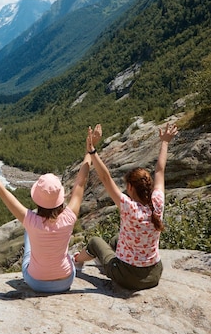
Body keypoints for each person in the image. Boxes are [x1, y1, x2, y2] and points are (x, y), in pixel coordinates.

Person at [0, 131, 100, 294]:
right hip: (66, 280)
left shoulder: (30, 220)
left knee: (28, 237)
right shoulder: (69, 216)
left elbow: (2, 190)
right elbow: (81, 183)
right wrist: (90, 150)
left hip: (36, 282)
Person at [73, 122, 178, 291]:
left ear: (130, 187)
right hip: (154, 274)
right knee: (116, 239)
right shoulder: (158, 202)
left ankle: (76, 261)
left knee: (94, 242)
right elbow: (160, 171)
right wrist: (165, 142)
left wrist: (91, 150)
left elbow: (106, 179)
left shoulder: (129, 207)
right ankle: (102, 256)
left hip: (127, 276)